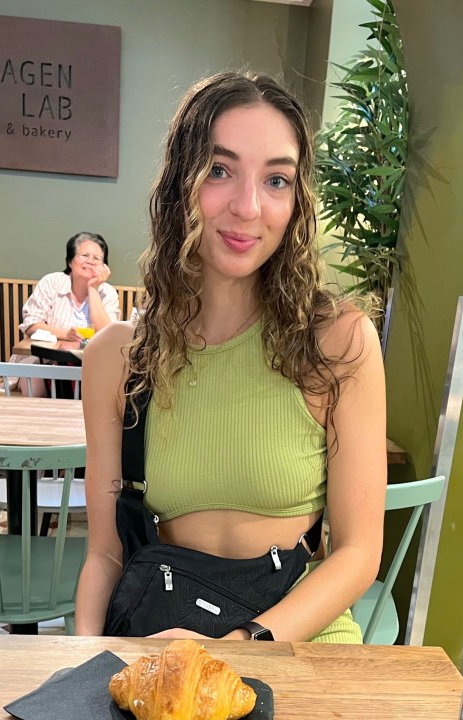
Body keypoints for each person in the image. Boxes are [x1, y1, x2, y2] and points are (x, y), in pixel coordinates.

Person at [76, 71, 387, 642]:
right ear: (181, 182)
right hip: (160, 643)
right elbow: (106, 555)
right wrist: (86, 663)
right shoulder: (116, 358)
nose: (248, 207)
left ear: (297, 202)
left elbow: (358, 553)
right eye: (219, 171)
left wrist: (242, 648)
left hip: (298, 642)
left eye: (276, 180)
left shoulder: (339, 343)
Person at [9, 232, 122, 395]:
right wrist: (66, 334)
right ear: (70, 261)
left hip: (91, 366)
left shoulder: (107, 292)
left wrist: (93, 288)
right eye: (84, 255)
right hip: (45, 361)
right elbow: (31, 324)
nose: (90, 261)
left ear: (104, 267)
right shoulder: (51, 282)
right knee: (34, 384)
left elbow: (107, 334)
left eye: (97, 258)